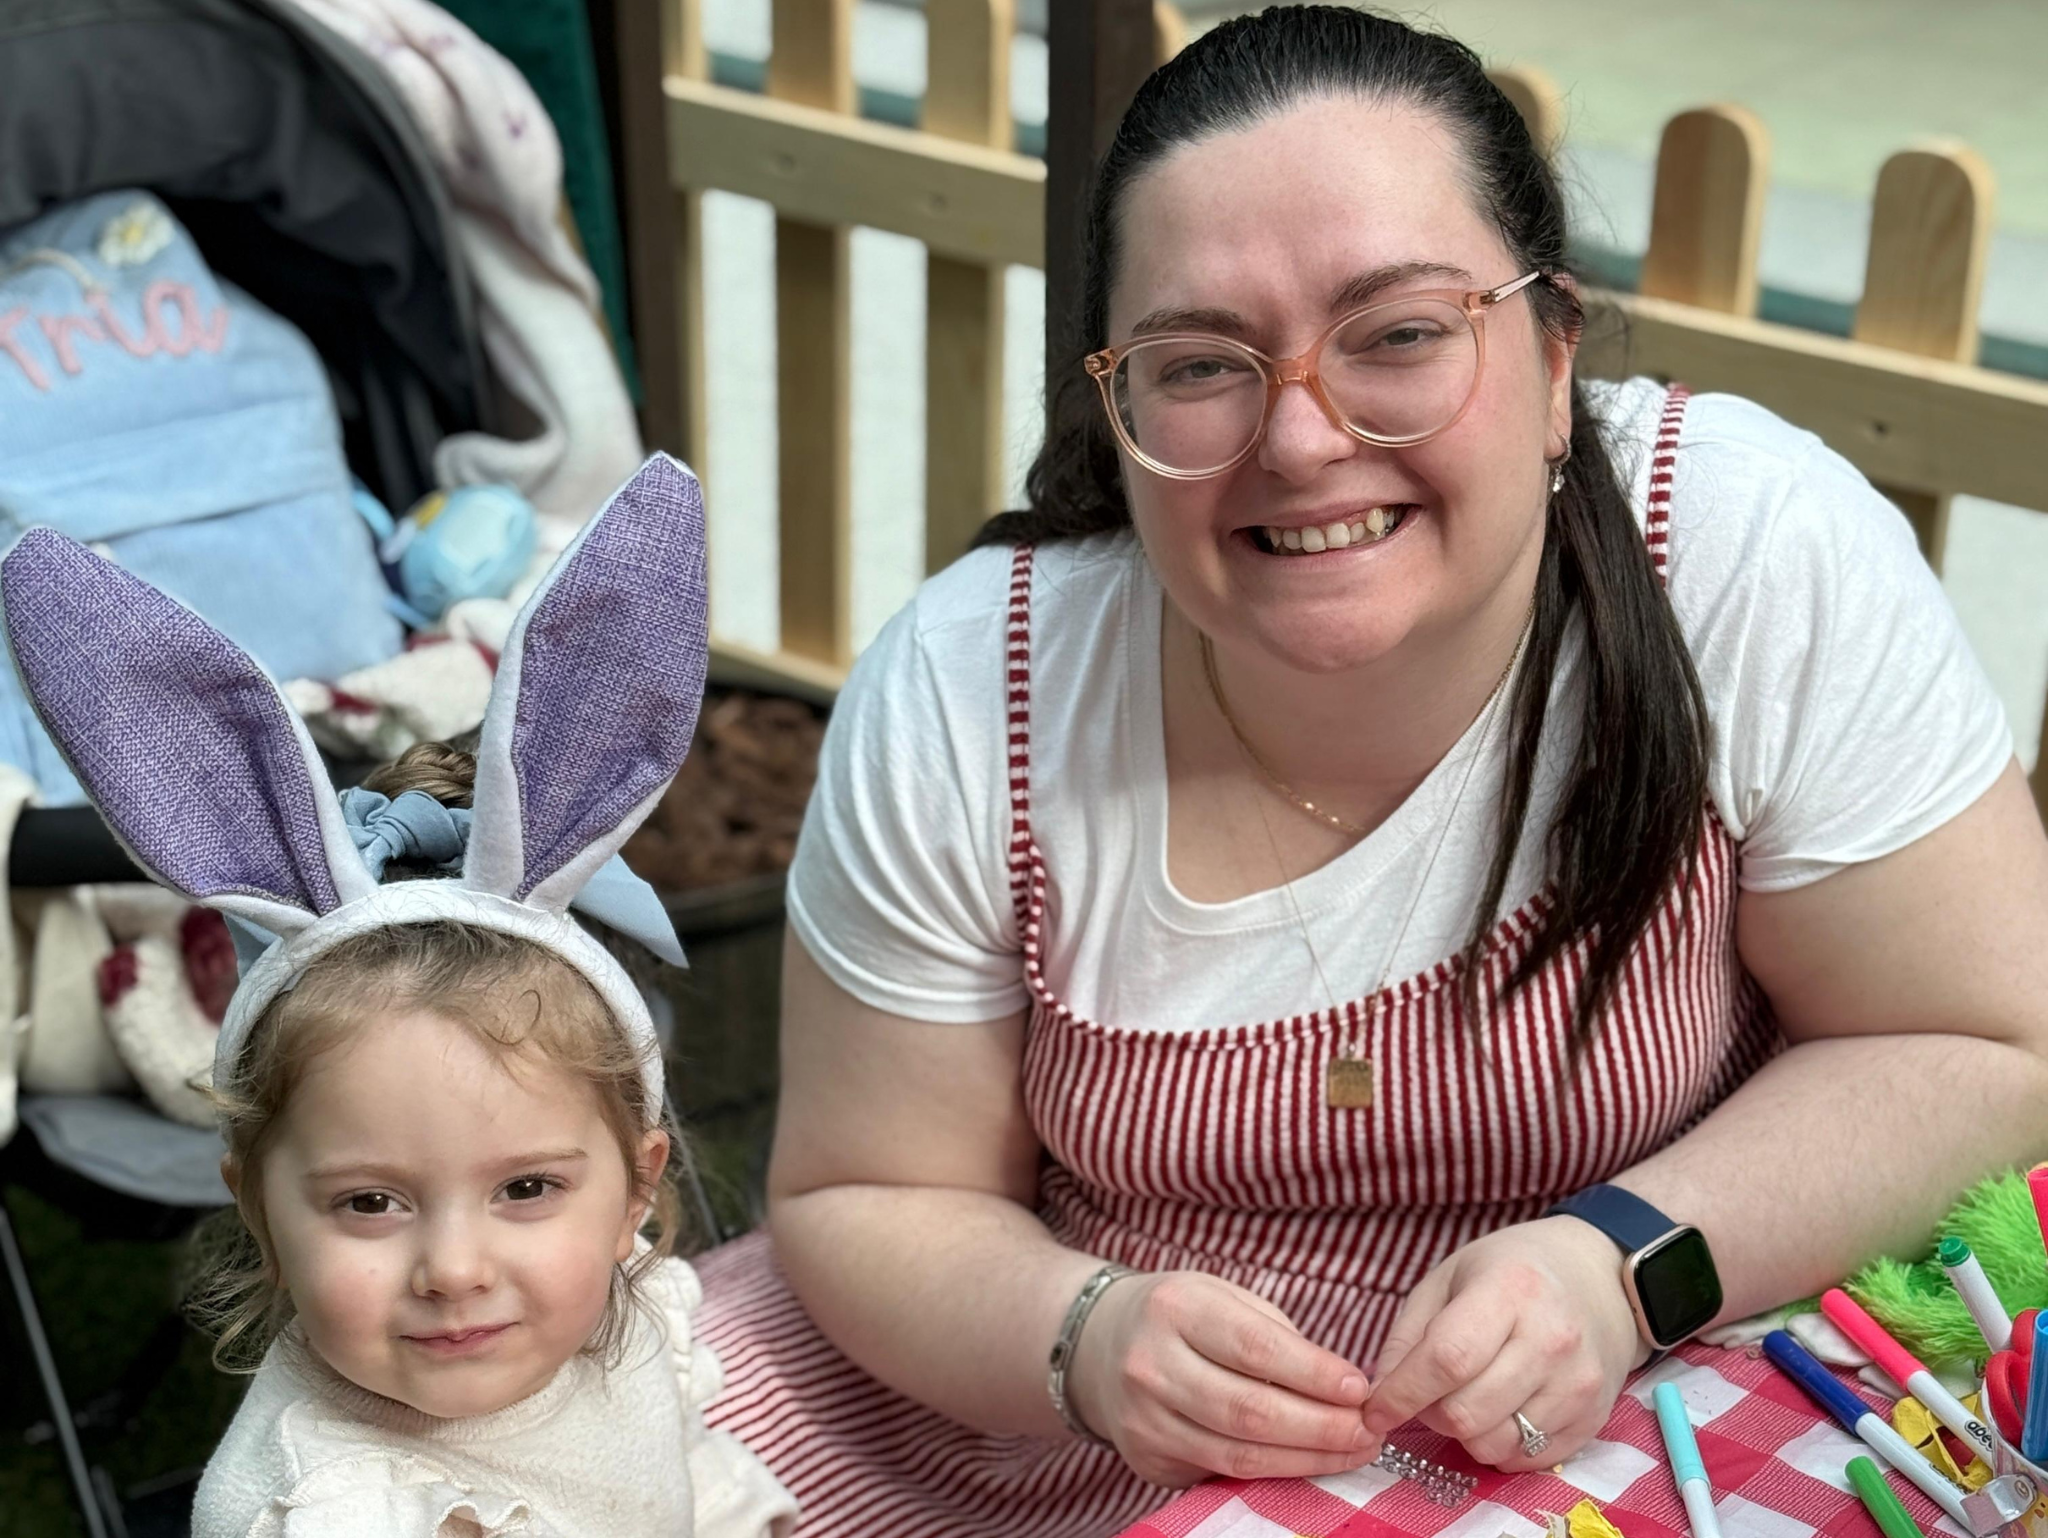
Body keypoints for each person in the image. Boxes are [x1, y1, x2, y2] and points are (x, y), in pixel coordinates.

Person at [693, 7, 2048, 1535]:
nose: (1303, 437)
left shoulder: (1740, 555)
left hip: (1615, 1415)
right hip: (1002, 1421)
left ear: (1552, 358)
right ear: (1120, 407)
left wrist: (1626, 1258)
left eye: (1400, 332)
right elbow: (865, 1193)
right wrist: (1084, 1337)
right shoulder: (971, 682)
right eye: (1202, 363)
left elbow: (1979, 1038)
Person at [0, 460, 797, 1538]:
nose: (456, 1269)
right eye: (369, 1201)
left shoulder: (624, 1321)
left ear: (634, 1197)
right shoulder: (336, 1504)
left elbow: (679, 1460)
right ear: (261, 1215)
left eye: (525, 1185)